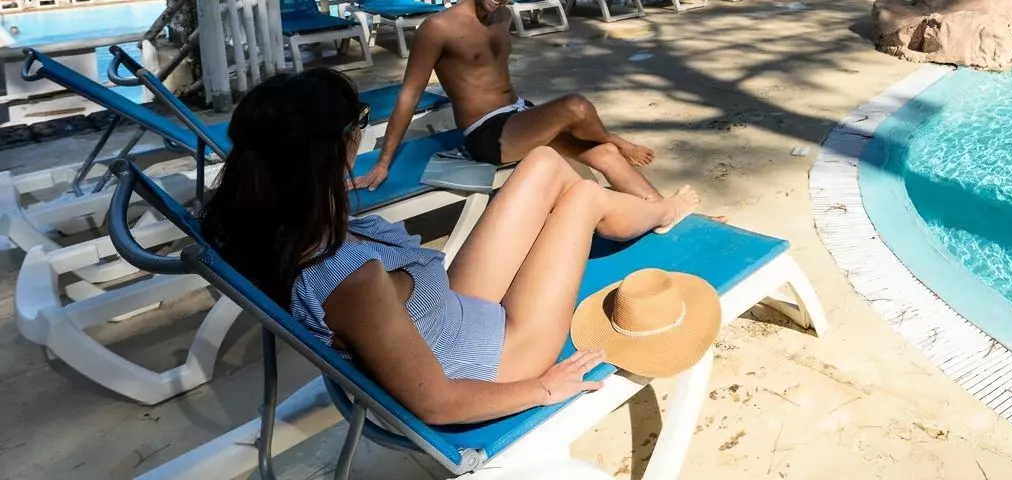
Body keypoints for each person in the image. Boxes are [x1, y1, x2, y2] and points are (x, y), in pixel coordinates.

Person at [200, 69, 699, 424]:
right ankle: (658, 212)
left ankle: (627, 213)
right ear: (337, 148)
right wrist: (544, 387)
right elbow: (437, 403)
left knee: (545, 162)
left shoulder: (282, 220)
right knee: (584, 198)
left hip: (443, 311)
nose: (362, 131)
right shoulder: (350, 281)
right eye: (359, 121)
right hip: (499, 358)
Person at [353, 0, 661, 200]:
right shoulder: (438, 28)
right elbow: (409, 95)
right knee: (576, 106)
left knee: (603, 153)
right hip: (487, 133)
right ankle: (613, 137)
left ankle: (662, 209)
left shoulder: (502, 16)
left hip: (518, 114)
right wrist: (383, 163)